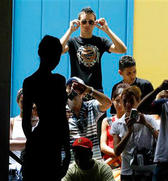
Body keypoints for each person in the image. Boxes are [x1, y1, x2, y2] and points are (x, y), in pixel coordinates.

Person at [22, 35, 71, 181]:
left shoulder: (30, 82)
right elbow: (62, 118)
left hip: (39, 140)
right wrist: (67, 152)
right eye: (56, 55)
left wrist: (31, 144)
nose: (57, 59)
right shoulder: (58, 80)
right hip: (53, 143)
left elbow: (26, 121)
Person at [60, 7, 127, 92]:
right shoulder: (72, 42)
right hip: (76, 90)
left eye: (91, 22)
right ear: (79, 23)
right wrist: (70, 30)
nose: (87, 25)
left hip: (96, 91)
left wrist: (107, 30)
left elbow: (122, 49)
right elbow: (57, 50)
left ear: (94, 23)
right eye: (84, 22)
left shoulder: (100, 41)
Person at [110, 86, 159, 181]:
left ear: (138, 101)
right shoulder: (117, 124)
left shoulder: (149, 119)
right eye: (124, 101)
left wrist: (146, 124)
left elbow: (161, 140)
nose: (128, 105)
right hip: (127, 171)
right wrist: (129, 132)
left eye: (131, 101)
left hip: (148, 170)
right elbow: (116, 151)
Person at [66, 76, 112, 161]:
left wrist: (89, 90)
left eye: (78, 87)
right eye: (70, 86)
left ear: (84, 93)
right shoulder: (62, 111)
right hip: (72, 165)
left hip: (94, 162)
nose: (73, 88)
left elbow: (108, 104)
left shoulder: (90, 106)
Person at [9, 88, 39, 180]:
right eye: (23, 101)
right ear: (18, 102)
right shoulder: (12, 122)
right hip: (14, 169)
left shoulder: (39, 122)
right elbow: (7, 145)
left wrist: (17, 144)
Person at [100, 83, 129, 167]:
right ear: (112, 100)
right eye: (117, 100)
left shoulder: (131, 121)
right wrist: (118, 154)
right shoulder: (107, 121)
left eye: (123, 101)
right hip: (109, 164)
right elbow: (103, 146)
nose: (120, 104)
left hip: (126, 164)